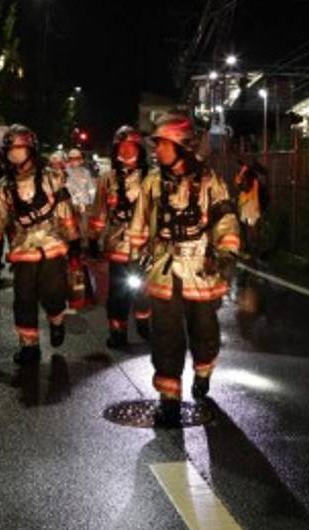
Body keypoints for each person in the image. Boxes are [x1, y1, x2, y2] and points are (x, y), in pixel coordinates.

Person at [129, 113, 241, 426]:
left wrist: (227, 252)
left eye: (163, 143)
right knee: (165, 336)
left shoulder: (209, 181)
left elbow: (226, 219)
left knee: (204, 332)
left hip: (201, 270)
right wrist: (133, 255)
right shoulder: (152, 182)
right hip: (165, 271)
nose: (157, 150)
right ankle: (169, 399)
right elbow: (139, 224)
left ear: (181, 145)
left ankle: (203, 372)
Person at [0, 125, 80, 365]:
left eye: (20, 149)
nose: (15, 154)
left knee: (54, 295)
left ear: (31, 150)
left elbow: (65, 211)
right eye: (11, 150)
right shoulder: (4, 188)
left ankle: (56, 320)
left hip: (53, 246)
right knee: (23, 300)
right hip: (23, 251)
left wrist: (74, 239)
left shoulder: (50, 180)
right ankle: (29, 347)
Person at [88, 126, 152, 348]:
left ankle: (144, 323)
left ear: (140, 149)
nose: (125, 151)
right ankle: (117, 332)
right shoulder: (107, 179)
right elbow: (99, 212)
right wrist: (93, 238)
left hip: (145, 247)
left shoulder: (152, 179)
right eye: (121, 146)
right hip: (117, 246)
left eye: (130, 146)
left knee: (145, 291)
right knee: (117, 295)